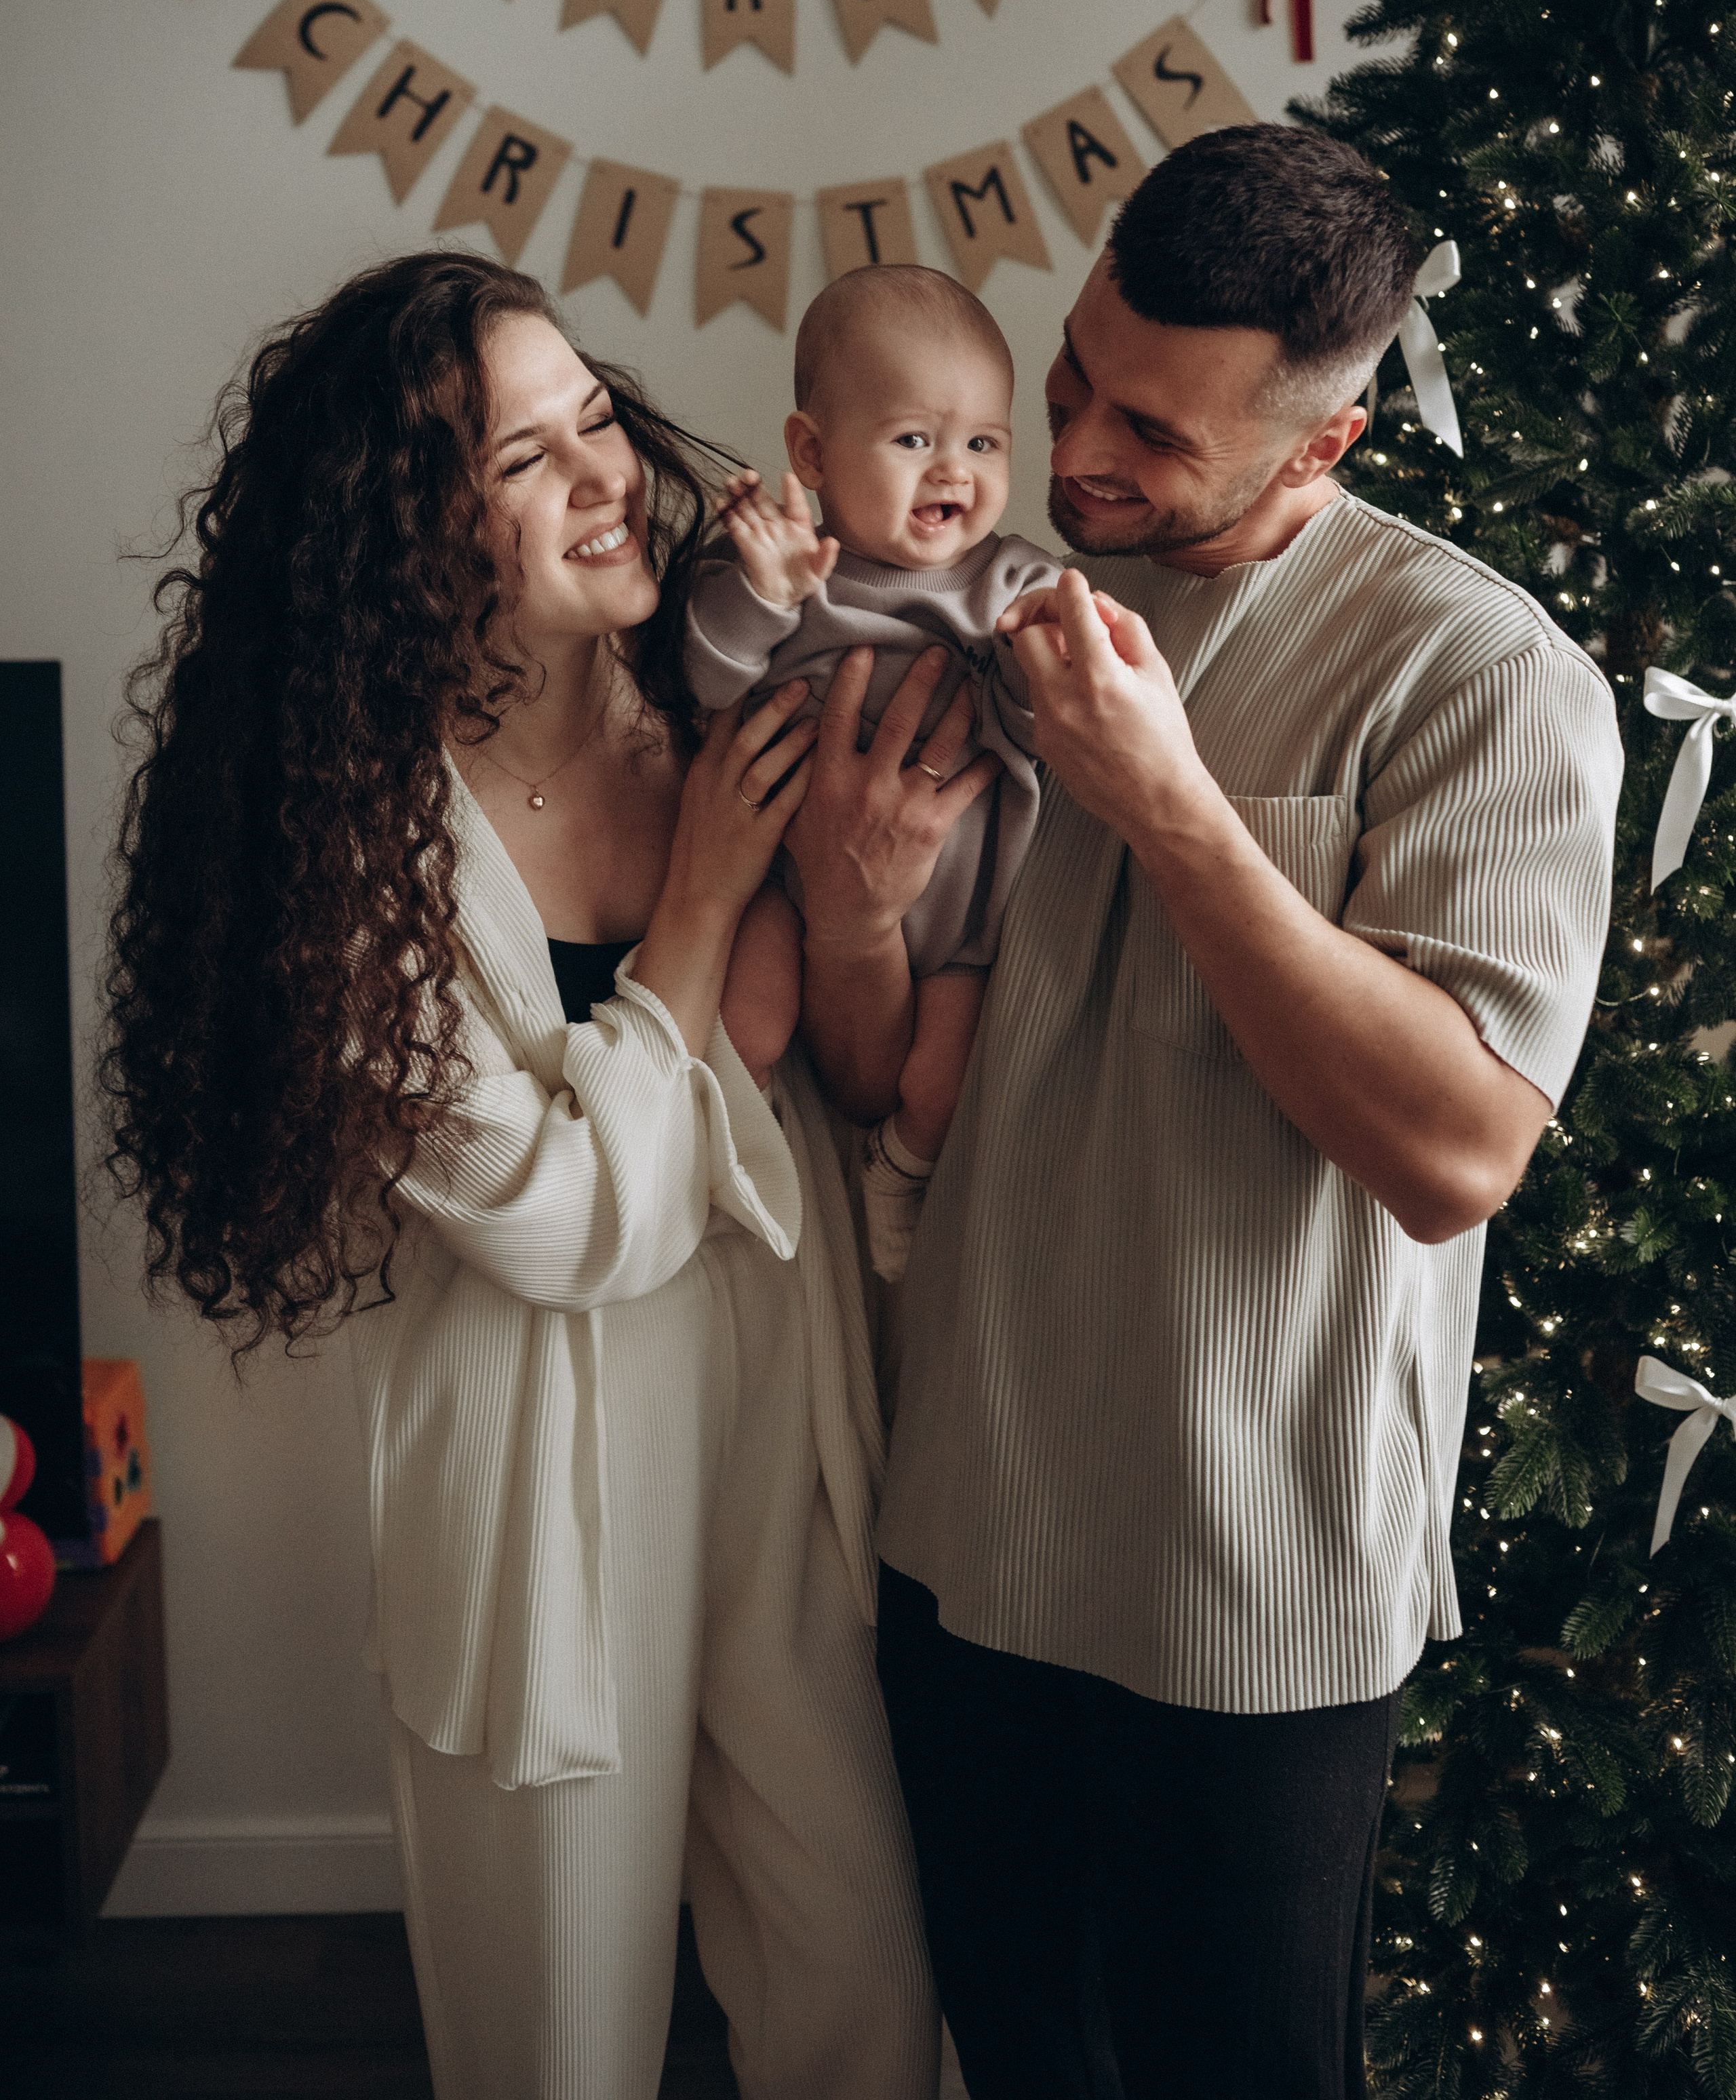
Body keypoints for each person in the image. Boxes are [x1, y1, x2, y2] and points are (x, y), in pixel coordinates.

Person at [786, 127, 1625, 2100]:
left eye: (1152, 433)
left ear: (1319, 450)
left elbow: (1456, 1154)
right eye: (1077, 378)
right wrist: (847, 900)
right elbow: (867, 1077)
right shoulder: (994, 600)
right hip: (966, 1532)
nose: (1072, 454)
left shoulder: (1482, 675)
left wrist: (1168, 801)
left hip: (1247, 1587)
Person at [101, 251, 942, 2100]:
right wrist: (710, 898)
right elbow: (561, 1224)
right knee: (556, 2027)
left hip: (778, 1423)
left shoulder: (716, 689)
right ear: (408, 537)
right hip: (546, 1471)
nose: (605, 475)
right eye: (523, 462)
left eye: (595, 420)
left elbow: (823, 1070)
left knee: (866, 1965)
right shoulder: (350, 837)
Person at [689, 264, 1059, 1278]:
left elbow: (1047, 733)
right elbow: (709, 683)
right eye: (914, 440)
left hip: (966, 920)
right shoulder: (788, 569)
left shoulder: (1016, 580)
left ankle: (897, 1180)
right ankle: (733, 1165)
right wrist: (763, 597)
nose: (954, 471)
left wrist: (1038, 663)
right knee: (741, 1023)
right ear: (812, 451)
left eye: (984, 442)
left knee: (945, 1081)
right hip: (786, 879)